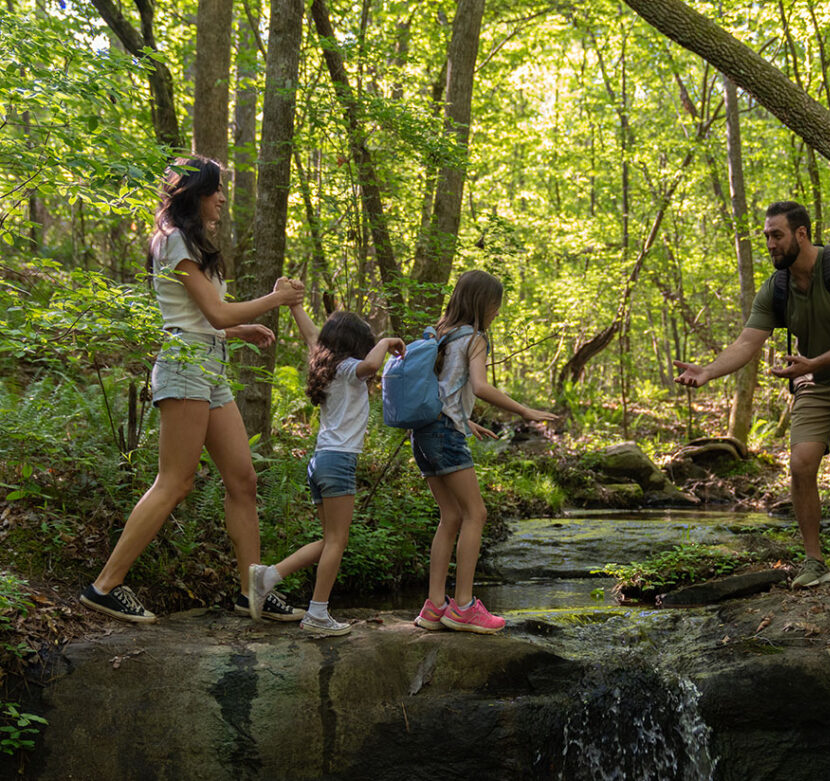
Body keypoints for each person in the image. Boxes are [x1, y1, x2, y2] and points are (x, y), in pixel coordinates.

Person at [79, 156, 307, 623]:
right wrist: (276, 300)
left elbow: (203, 319)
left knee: (242, 478)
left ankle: (252, 592)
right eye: (215, 190)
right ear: (194, 194)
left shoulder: (189, 241)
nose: (222, 198)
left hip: (206, 361)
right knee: (176, 481)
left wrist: (234, 333)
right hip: (184, 366)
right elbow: (215, 313)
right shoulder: (174, 239)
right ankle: (105, 586)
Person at [673, 201, 830, 588]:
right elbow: (747, 342)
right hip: (815, 386)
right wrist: (707, 371)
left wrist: (813, 363)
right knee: (801, 464)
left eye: (777, 235)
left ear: (802, 234)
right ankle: (814, 561)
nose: (770, 244)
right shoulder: (776, 288)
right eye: (766, 237)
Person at [412, 270, 558, 634]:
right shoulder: (476, 338)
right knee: (476, 513)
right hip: (444, 432)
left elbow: (442, 388)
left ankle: (434, 606)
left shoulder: (439, 332)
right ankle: (463, 605)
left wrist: (466, 421)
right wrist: (524, 409)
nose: (498, 311)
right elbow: (478, 386)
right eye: (496, 304)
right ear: (484, 303)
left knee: (450, 516)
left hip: (425, 431)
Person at [247, 304, 405, 636]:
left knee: (330, 539)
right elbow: (373, 364)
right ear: (354, 345)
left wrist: (294, 305)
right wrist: (388, 340)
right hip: (338, 461)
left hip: (320, 461)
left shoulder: (327, 366)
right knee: (337, 541)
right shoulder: (349, 368)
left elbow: (310, 335)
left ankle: (267, 577)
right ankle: (317, 614)